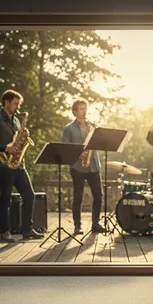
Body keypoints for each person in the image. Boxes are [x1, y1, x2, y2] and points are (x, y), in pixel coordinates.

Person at [0, 89, 44, 242]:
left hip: (19, 165)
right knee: (6, 199)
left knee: (29, 195)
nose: (18, 107)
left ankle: (27, 229)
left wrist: (24, 136)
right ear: (6, 102)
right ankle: (5, 232)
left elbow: (17, 140)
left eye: (18, 104)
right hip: (4, 165)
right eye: (15, 104)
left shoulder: (15, 121)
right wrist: (5, 148)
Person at [60, 99, 107, 234]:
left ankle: (95, 224)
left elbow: (100, 143)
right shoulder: (69, 128)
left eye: (85, 108)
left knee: (98, 195)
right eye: (81, 108)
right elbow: (65, 146)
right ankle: (77, 226)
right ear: (75, 111)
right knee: (78, 197)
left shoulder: (93, 126)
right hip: (77, 166)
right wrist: (77, 154)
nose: (84, 111)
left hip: (93, 165)